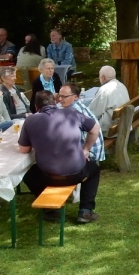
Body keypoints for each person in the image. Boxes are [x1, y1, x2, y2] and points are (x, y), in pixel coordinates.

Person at [18, 90, 102, 224]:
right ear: (55, 102)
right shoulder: (71, 113)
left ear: (36, 107)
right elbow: (95, 129)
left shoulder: (30, 120)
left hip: (48, 176)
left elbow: (24, 150)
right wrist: (85, 149)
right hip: (77, 173)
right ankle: (85, 211)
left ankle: (49, 210)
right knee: (93, 169)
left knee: (27, 175)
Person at [88, 65, 131, 136]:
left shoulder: (104, 90)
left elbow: (93, 113)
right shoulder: (121, 85)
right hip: (124, 124)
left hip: (110, 130)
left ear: (103, 77)